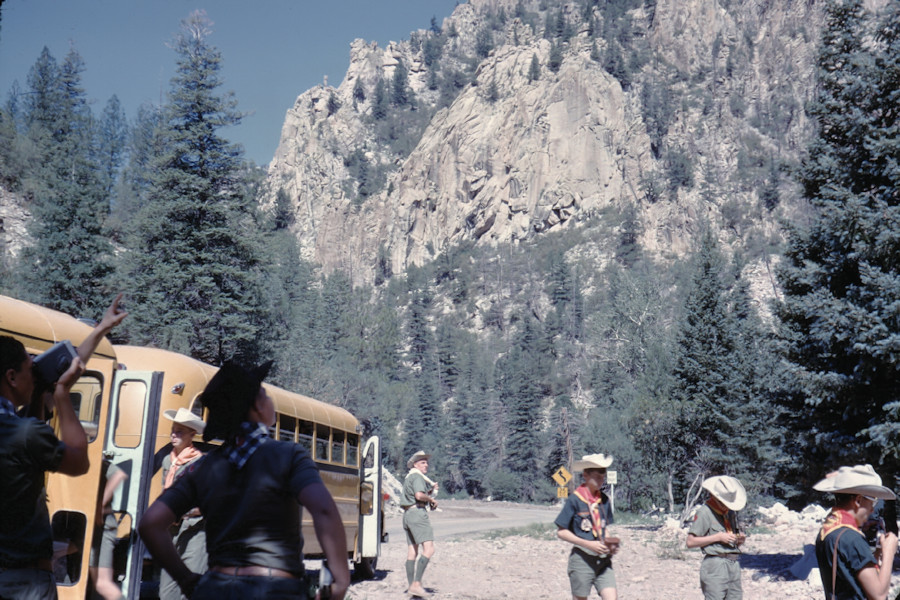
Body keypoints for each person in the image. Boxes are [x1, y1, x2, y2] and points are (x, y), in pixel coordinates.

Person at [137, 360, 349, 600]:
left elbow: (150, 524)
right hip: (276, 589)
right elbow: (323, 510)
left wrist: (185, 578)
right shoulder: (289, 455)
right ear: (258, 405)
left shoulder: (201, 469)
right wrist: (340, 578)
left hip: (216, 588)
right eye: (266, 396)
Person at [0, 293, 127, 600]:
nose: (36, 378)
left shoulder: (21, 424)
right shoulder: (25, 433)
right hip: (23, 580)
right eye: (30, 370)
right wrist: (61, 395)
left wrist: (98, 331)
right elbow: (79, 461)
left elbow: (71, 364)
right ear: (12, 377)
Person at [813, 464, 898, 600]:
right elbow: (879, 595)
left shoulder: (829, 530)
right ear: (858, 500)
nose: (872, 510)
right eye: (873, 503)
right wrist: (889, 551)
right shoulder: (851, 538)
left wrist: (875, 554)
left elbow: (851, 577)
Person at [158, 408, 208, 600]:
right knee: (167, 592)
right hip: (171, 533)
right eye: (173, 430)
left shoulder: (201, 463)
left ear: (192, 435)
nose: (174, 434)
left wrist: (186, 511)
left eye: (179, 431)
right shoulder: (167, 461)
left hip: (195, 533)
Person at [554, 453, 619, 600]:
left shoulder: (604, 500)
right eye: (596, 476)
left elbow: (604, 527)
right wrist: (589, 544)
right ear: (585, 475)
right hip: (582, 559)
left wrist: (610, 544)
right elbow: (561, 532)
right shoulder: (575, 500)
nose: (601, 480)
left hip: (603, 560)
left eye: (603, 476)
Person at [685, 475, 747, 600]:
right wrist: (717, 537)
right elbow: (690, 542)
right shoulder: (705, 512)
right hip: (715, 565)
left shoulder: (730, 513)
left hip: (733, 563)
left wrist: (739, 540)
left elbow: (731, 540)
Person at [400, 450, 438, 597]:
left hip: (408, 514)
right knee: (429, 549)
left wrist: (429, 493)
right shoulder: (417, 476)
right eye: (423, 462)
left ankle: (411, 588)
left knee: (412, 551)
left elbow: (416, 495)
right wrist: (431, 499)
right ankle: (416, 584)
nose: (426, 465)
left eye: (426, 462)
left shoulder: (409, 477)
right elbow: (419, 495)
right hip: (417, 514)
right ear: (415, 464)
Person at [89, 460, 128, 600]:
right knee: (95, 584)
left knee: (102, 584)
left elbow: (118, 474)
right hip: (89, 525)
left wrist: (99, 505)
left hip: (101, 525)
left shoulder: (93, 455)